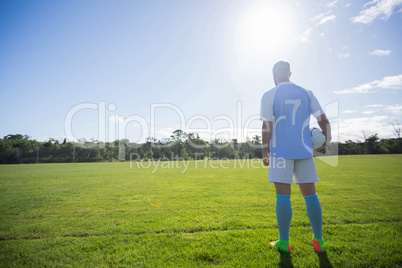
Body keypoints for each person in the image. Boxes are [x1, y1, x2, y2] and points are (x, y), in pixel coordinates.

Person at [260, 60, 331, 253]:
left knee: (283, 197)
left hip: (280, 152)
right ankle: (319, 241)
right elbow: (323, 120)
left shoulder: (269, 95)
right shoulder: (307, 93)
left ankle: (284, 242)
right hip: (304, 150)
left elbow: (267, 125)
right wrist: (326, 141)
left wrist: (264, 151)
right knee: (311, 196)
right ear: (290, 74)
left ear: (274, 75)